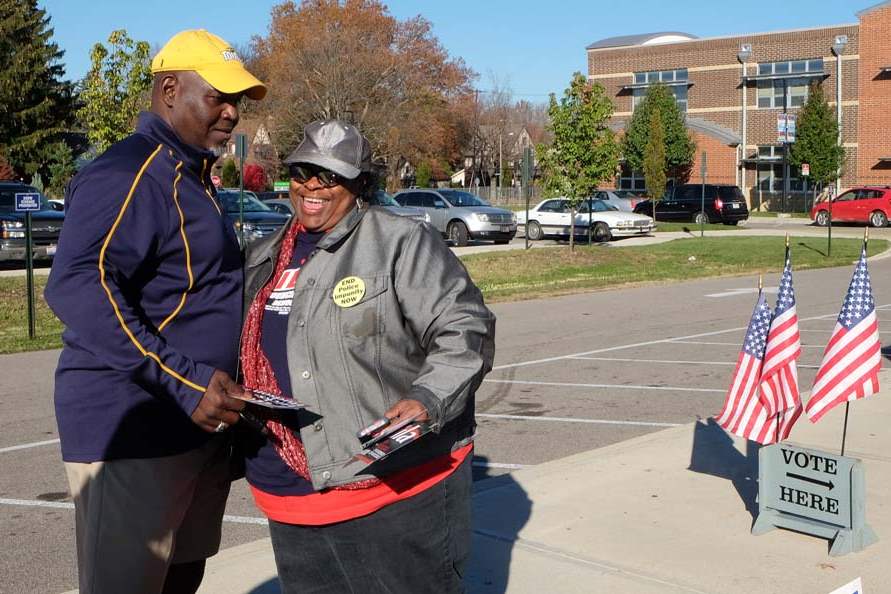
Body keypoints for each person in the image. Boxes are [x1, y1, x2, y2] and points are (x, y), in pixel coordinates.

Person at [44, 30, 266, 594]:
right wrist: (185, 381)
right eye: (218, 96)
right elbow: (75, 284)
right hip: (134, 430)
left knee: (181, 581)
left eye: (237, 100)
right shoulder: (128, 173)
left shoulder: (192, 176)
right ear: (170, 89)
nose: (232, 113)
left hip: (194, 428)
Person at [239, 120, 496, 593]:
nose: (312, 186)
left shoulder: (398, 242)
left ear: (359, 185)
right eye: (302, 172)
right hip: (291, 493)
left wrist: (428, 398)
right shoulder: (264, 255)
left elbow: (465, 328)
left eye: (330, 176)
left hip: (395, 487)